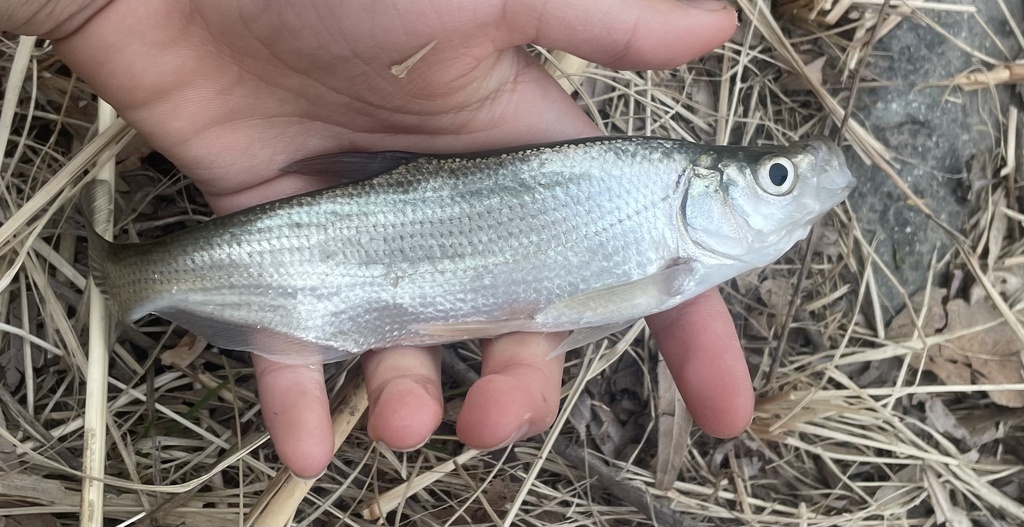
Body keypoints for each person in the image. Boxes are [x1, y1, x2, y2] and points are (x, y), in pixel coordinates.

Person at [6, 0, 754, 479]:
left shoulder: (660, 218)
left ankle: (127, 277)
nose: (781, 191)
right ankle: (129, 277)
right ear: (702, 186)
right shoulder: (655, 201)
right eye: (773, 179)